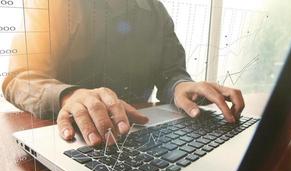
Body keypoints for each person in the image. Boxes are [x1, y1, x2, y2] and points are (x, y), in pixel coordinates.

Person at [2, 0, 244, 146]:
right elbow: (19, 78)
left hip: (142, 137)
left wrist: (181, 85)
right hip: (72, 137)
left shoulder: (156, 11)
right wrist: (69, 96)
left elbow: (171, 73)